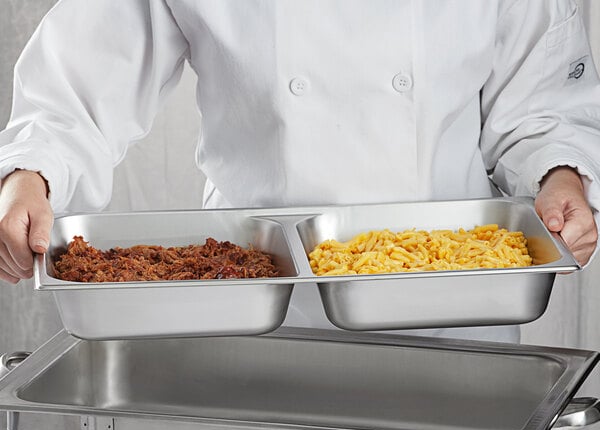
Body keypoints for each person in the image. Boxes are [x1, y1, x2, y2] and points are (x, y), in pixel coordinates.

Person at [0, 0, 598, 339]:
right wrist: (30, 174)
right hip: (253, 311)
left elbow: (540, 102)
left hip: (457, 315)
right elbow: (81, 79)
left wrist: (560, 175)